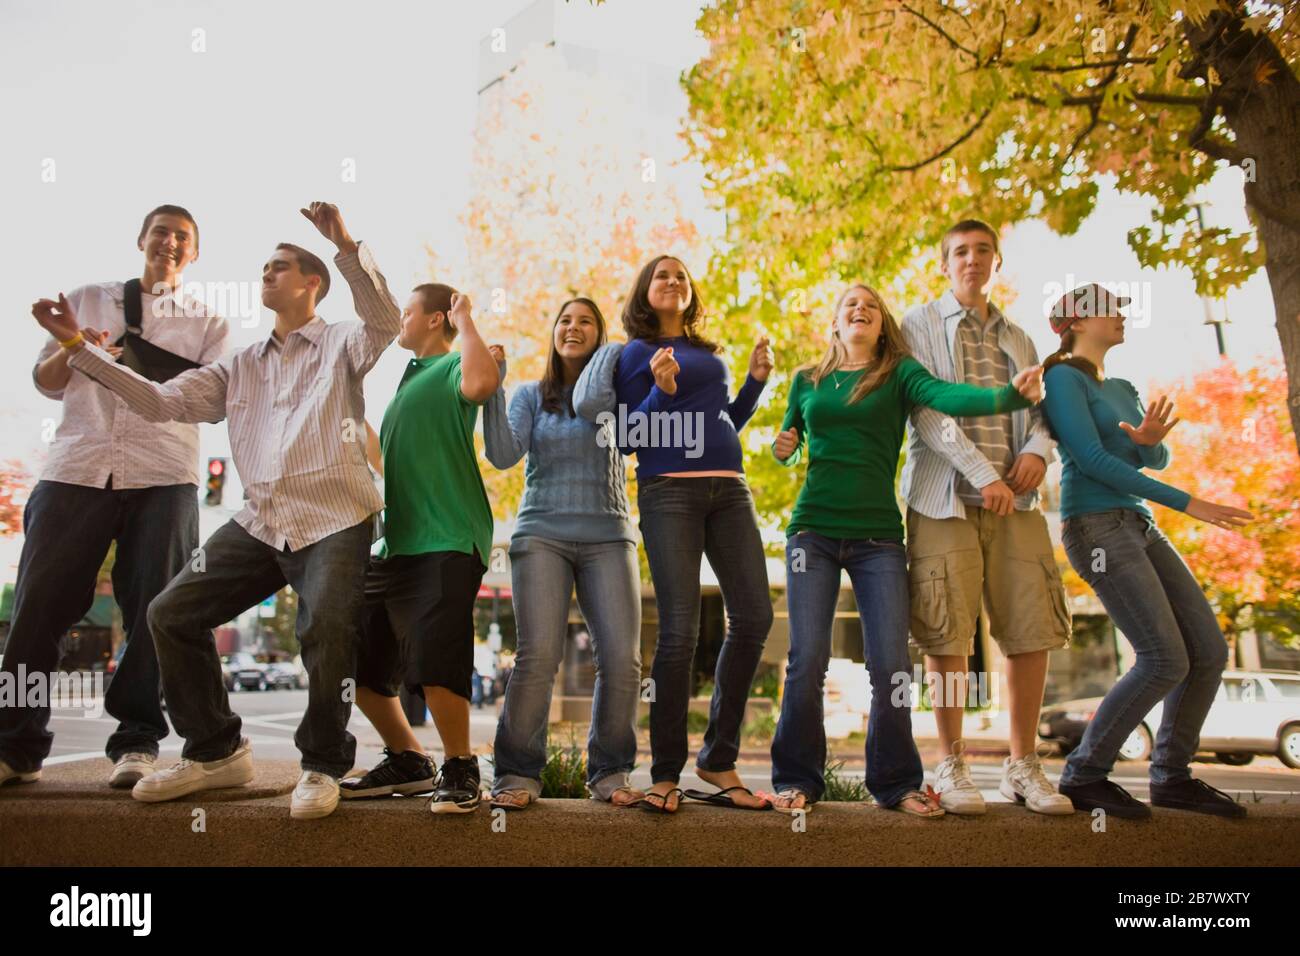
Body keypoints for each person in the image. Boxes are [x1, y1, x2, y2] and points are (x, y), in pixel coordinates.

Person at [30, 202, 400, 820]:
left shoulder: (342, 341)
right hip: (263, 522)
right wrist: (76, 346)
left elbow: (384, 318)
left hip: (334, 517)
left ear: (312, 283)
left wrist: (343, 243)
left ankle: (322, 764)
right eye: (263, 267)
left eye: (279, 267)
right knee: (170, 613)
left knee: (326, 630)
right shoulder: (240, 364)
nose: (266, 274)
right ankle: (215, 749)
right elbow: (156, 402)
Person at [769, 284, 1044, 817]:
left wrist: (1008, 396)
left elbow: (947, 396)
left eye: (871, 307)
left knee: (892, 665)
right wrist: (785, 447)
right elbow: (790, 438)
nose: (861, 310)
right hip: (812, 533)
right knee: (807, 660)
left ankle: (896, 783)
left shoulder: (897, 374)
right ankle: (796, 781)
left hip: (878, 538)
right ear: (835, 322)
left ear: (882, 325)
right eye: (851, 304)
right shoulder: (807, 378)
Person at [1, 205, 229, 791]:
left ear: (195, 253)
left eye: (183, 237)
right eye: (161, 232)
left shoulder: (208, 322)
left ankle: (137, 741)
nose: (170, 243)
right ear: (141, 240)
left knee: (154, 612)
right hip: (77, 467)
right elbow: (46, 381)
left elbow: (214, 400)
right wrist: (74, 345)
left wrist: (130, 365)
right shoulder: (87, 297)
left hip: (164, 473)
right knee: (36, 607)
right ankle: (14, 744)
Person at [1041, 283, 1253, 819]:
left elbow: (1149, 459)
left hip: (1137, 521)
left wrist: (1148, 438)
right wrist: (1190, 503)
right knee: (1164, 657)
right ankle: (1085, 774)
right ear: (1077, 320)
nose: (1121, 315)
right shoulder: (1062, 378)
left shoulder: (1124, 385)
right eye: (1111, 308)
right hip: (1094, 525)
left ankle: (1172, 778)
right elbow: (1089, 459)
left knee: (1208, 652)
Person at [574, 255, 774, 813]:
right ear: (646, 290)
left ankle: (718, 757)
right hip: (669, 492)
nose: (673, 281)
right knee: (680, 631)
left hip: (729, 489)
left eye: (681, 276)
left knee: (755, 615)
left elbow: (726, 420)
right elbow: (628, 435)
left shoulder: (710, 354)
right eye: (662, 275)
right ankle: (665, 772)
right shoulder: (632, 353)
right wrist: (659, 390)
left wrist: (756, 381)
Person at [900, 219, 1074, 815]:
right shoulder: (918, 324)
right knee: (947, 634)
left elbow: (1044, 412)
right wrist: (982, 474)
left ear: (997, 263)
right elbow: (925, 410)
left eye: (983, 252)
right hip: (944, 498)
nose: (972, 260)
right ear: (944, 264)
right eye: (960, 252)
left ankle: (1022, 766)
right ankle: (951, 763)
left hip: (1017, 503)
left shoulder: (1021, 339)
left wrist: (1035, 452)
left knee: (1032, 630)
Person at [339, 283, 498, 813]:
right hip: (396, 546)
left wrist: (468, 319)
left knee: (434, 656)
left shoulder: (453, 365)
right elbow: (387, 463)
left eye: (408, 312)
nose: (399, 321)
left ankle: (460, 765)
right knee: (352, 657)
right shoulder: (405, 385)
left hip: (449, 537)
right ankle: (408, 758)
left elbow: (480, 383)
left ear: (435, 319)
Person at [482, 298, 644, 810]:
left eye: (586, 322)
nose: (573, 328)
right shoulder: (531, 395)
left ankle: (610, 772)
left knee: (622, 660)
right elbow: (503, 455)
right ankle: (516, 774)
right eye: (565, 321)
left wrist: (614, 352)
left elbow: (628, 441)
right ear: (553, 333)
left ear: (600, 336)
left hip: (609, 535)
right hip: (542, 534)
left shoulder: (618, 392)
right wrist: (495, 387)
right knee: (538, 657)